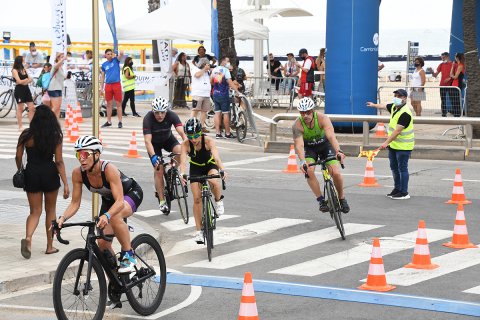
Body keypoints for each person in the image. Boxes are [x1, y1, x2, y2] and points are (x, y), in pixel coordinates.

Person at [55, 135, 143, 273]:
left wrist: (107, 215)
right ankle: (117, 281)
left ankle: (129, 256)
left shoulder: (108, 169)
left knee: (115, 216)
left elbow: (119, 201)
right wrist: (62, 218)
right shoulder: (78, 173)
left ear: (97, 154)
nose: (81, 158)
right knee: (102, 245)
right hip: (109, 201)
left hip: (129, 194)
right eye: (78, 154)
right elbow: (75, 203)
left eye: (85, 154)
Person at [16, 105, 69, 259]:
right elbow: (59, 161)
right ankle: (50, 246)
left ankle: (28, 238)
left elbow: (18, 157)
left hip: (32, 173)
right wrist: (66, 183)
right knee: (50, 210)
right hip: (50, 173)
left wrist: (21, 170)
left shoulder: (26, 135)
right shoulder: (55, 135)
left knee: (35, 211)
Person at [292, 97, 350, 213]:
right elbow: (299, 145)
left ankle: (342, 198)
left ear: (312, 110)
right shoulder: (297, 125)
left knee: (336, 173)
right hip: (310, 148)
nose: (305, 116)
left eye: (308, 112)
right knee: (309, 171)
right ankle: (321, 200)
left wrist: (338, 151)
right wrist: (302, 162)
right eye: (302, 113)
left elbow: (331, 136)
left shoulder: (322, 118)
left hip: (325, 146)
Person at [179, 118, 226, 243]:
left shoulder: (209, 141)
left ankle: (218, 201)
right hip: (196, 168)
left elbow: (216, 157)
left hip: (209, 165)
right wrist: (182, 174)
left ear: (200, 132)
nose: (193, 139)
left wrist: (222, 170)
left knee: (214, 181)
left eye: (195, 135)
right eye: (190, 136)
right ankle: (199, 231)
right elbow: (183, 162)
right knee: (197, 199)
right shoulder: (185, 144)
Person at [366, 89, 414, 200]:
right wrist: (373, 105)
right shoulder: (394, 107)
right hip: (394, 145)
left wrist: (386, 142)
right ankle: (397, 189)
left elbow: (397, 131)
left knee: (402, 168)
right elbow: (383, 106)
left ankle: (404, 192)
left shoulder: (405, 113)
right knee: (394, 168)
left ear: (404, 98)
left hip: (404, 146)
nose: (396, 98)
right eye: (395, 95)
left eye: (399, 96)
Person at [143, 96, 187, 213]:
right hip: (154, 145)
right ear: (153, 111)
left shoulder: (172, 115)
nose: (160, 115)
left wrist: (188, 146)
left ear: (166, 111)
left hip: (168, 140)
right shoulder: (148, 119)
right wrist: (153, 157)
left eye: (162, 112)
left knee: (180, 150)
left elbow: (182, 133)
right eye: (157, 113)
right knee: (159, 169)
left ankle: (172, 168)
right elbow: (147, 141)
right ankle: (162, 201)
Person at [211, 56, 239, 139]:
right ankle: (227, 133)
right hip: (223, 94)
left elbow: (211, 81)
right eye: (227, 61)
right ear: (223, 62)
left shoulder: (215, 69)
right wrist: (237, 91)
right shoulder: (225, 70)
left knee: (217, 113)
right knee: (226, 113)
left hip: (215, 93)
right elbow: (230, 82)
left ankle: (218, 133)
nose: (228, 63)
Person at [100, 48, 124, 128]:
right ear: (105, 55)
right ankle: (109, 121)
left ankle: (120, 122)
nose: (110, 55)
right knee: (108, 104)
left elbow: (120, 55)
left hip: (116, 84)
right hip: (108, 85)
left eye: (111, 54)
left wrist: (121, 53)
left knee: (118, 104)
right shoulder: (104, 65)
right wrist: (101, 87)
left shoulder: (115, 60)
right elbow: (102, 76)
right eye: (108, 54)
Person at [12, 55, 35, 130]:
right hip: (19, 90)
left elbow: (30, 79)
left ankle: (32, 125)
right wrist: (25, 81)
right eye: (23, 60)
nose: (24, 61)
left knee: (31, 107)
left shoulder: (24, 69)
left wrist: (24, 81)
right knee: (20, 108)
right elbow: (18, 81)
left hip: (26, 89)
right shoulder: (14, 70)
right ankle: (20, 126)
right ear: (20, 61)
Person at [428, 52, 454, 117]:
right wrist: (431, 71)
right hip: (442, 85)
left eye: (443, 58)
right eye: (441, 58)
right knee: (443, 100)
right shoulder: (441, 65)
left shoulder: (453, 64)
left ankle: (455, 113)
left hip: (451, 84)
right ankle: (444, 114)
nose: (442, 59)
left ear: (448, 57)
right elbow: (435, 75)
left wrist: (449, 78)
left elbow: (456, 74)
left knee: (453, 99)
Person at [190, 57, 212, 132]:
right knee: (195, 110)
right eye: (207, 65)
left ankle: (202, 126)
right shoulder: (196, 69)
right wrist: (204, 69)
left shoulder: (207, 72)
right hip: (197, 94)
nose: (209, 66)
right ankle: (191, 125)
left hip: (206, 94)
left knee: (204, 111)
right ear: (203, 64)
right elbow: (197, 75)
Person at [47, 52, 66, 118]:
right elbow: (57, 65)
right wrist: (63, 59)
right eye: (61, 57)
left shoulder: (61, 68)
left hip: (59, 88)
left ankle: (56, 125)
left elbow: (62, 77)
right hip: (53, 88)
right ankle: (47, 121)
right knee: (55, 108)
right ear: (57, 58)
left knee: (58, 108)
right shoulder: (55, 65)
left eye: (63, 57)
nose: (63, 58)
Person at [449, 52, 465, 117]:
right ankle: (456, 113)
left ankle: (457, 114)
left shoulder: (461, 65)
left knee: (456, 100)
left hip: (457, 85)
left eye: (455, 56)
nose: (454, 58)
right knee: (453, 99)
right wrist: (453, 66)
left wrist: (451, 74)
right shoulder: (457, 65)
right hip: (454, 84)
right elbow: (452, 75)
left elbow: (455, 76)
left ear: (457, 58)